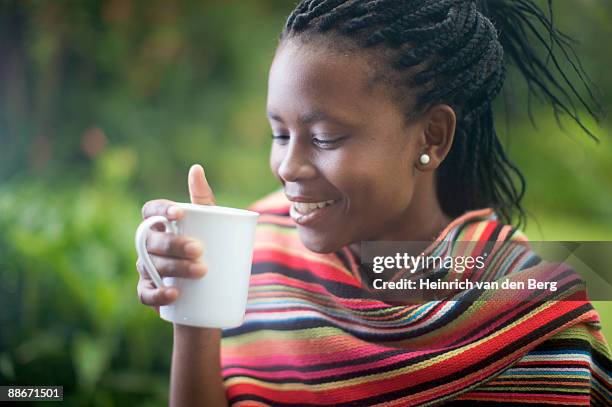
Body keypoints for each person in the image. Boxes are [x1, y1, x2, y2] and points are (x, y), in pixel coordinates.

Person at [136, 1, 612, 405]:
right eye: (280, 134)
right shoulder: (261, 253)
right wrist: (195, 310)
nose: (287, 166)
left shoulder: (533, 314)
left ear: (432, 135)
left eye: (324, 137)